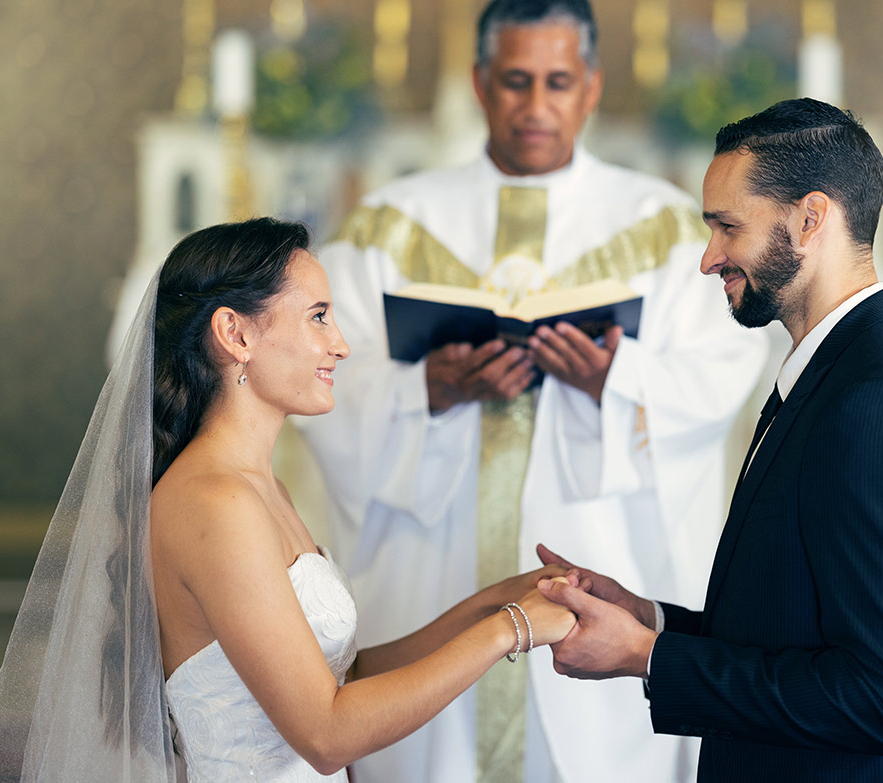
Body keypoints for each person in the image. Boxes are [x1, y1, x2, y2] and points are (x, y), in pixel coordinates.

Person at [294, 2, 768, 782]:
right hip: (429, 582)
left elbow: (721, 373)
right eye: (516, 82)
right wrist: (426, 388)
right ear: (481, 85)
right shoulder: (389, 225)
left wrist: (612, 376)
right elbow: (320, 376)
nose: (537, 106)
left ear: (591, 87)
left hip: (597, 560)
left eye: (558, 82)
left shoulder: (666, 227)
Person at [0, 218, 575, 783]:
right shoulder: (214, 501)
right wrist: (510, 631)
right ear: (235, 333)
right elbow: (326, 734)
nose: (340, 345)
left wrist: (503, 596)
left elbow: (346, 678)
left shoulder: (261, 489)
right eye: (318, 316)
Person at [536, 98, 883, 781]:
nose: (708, 258)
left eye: (728, 227)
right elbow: (796, 632)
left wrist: (647, 659)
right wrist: (651, 622)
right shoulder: (835, 376)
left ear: (810, 219)